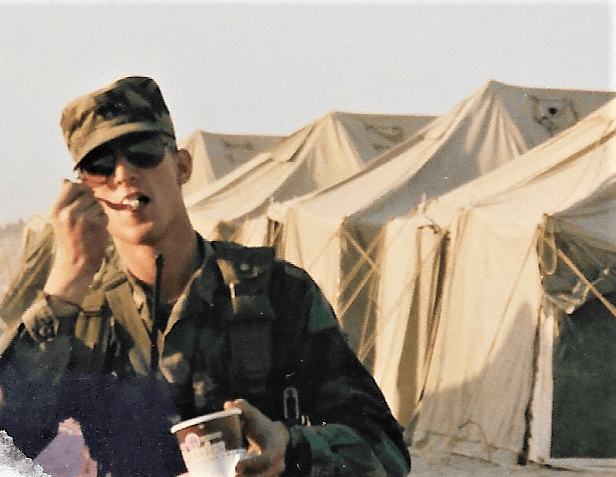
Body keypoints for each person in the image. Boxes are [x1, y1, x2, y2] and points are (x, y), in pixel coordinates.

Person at [0, 76, 411, 476]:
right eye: (100, 166)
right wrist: (67, 282)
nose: (123, 174)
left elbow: (385, 449)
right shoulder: (78, 322)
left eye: (143, 152)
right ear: (85, 191)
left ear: (182, 166)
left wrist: (291, 449)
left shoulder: (278, 293)